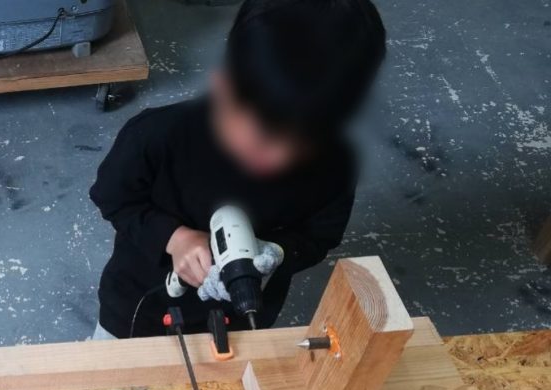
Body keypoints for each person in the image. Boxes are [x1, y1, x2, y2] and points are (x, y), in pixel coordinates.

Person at [90, 0, 386, 339]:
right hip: (138, 309)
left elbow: (320, 236)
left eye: (306, 143)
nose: (281, 158)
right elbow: (113, 198)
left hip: (241, 317)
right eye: (265, 136)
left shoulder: (335, 166)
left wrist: (278, 251)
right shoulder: (157, 137)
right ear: (225, 87)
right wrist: (174, 238)